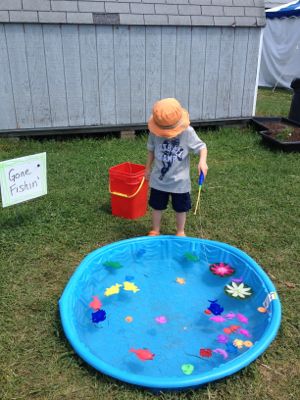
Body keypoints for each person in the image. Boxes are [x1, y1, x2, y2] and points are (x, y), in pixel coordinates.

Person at [145, 98, 208, 237]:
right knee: (157, 205)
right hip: (159, 180)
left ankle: (180, 231)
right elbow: (151, 150)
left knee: (181, 208)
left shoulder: (187, 132)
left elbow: (202, 147)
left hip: (180, 182)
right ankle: (155, 229)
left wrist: (202, 162)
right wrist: (147, 168)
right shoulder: (154, 132)